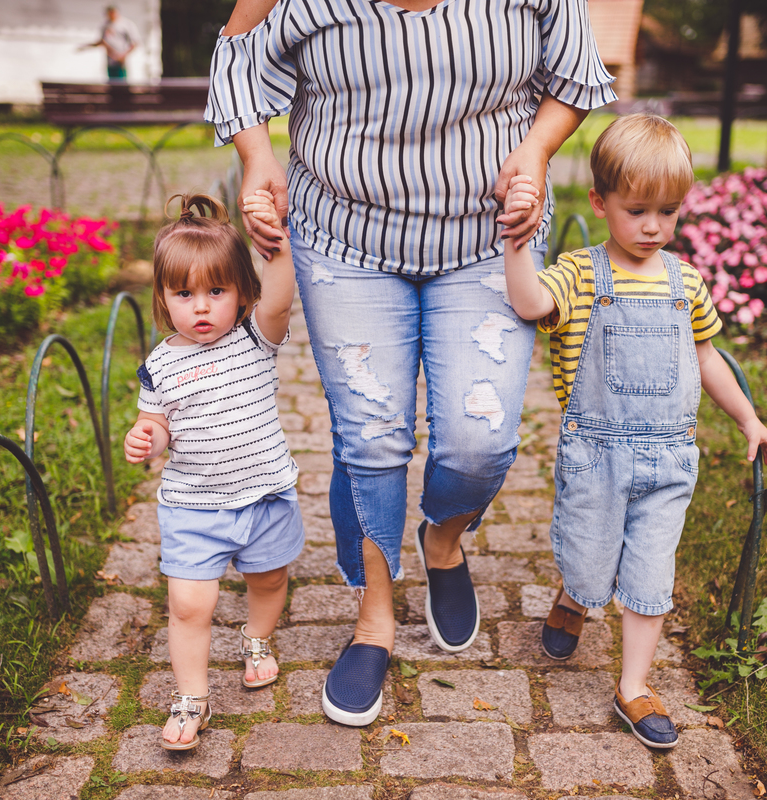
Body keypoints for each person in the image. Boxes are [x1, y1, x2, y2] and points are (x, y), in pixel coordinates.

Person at [207, 0, 618, 727]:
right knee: (370, 435)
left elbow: (573, 70)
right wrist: (257, 156)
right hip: (346, 237)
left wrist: (537, 149)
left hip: (489, 239)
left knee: (478, 441)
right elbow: (238, 50)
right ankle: (374, 618)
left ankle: (442, 541)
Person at [501, 113, 767, 749]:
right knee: (590, 561)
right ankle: (576, 596)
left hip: (669, 461)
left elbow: (707, 356)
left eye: (667, 211)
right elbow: (528, 304)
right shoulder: (579, 273)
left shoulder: (686, 282)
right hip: (595, 456)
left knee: (650, 578)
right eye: (636, 211)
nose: (653, 226)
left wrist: (749, 417)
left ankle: (633, 686)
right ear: (601, 203)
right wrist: (517, 243)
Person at [123, 191, 303, 751]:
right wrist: (146, 440)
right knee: (188, 604)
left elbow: (280, 298)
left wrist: (278, 244)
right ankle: (192, 697)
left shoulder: (256, 336)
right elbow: (157, 429)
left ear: (241, 293)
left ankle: (256, 638)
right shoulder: (160, 365)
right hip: (193, 505)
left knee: (269, 580)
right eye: (184, 294)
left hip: (264, 495)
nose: (201, 308)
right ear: (163, 298)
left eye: (217, 292)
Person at [83, 5, 139, 81]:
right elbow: (101, 41)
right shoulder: (105, 25)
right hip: (110, 60)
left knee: (122, 82)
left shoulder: (126, 24)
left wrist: (124, 55)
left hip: (121, 60)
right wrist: (86, 46)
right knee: (111, 81)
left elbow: (135, 43)